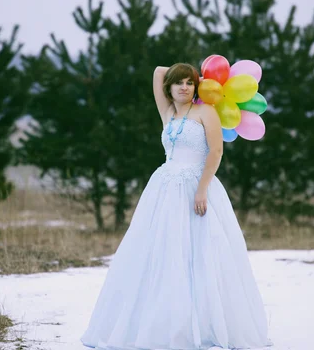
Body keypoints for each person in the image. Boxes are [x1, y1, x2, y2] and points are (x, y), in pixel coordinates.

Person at [80, 63, 272, 350]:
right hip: (165, 188)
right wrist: (192, 73)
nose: (184, 87)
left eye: (189, 83)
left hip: (197, 185)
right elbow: (157, 71)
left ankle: (207, 324)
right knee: (163, 253)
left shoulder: (206, 111)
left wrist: (202, 189)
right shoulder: (168, 113)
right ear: (169, 89)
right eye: (179, 83)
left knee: (202, 253)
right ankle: (165, 323)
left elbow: (216, 151)